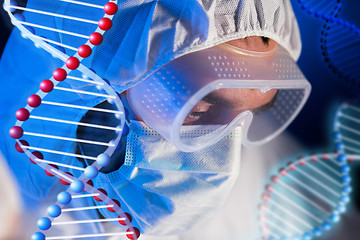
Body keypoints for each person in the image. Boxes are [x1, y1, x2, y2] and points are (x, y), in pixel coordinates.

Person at [0, 0, 309, 239]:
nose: (226, 163)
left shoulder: (269, 185)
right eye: (197, 110)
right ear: (85, 85)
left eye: (248, 115)